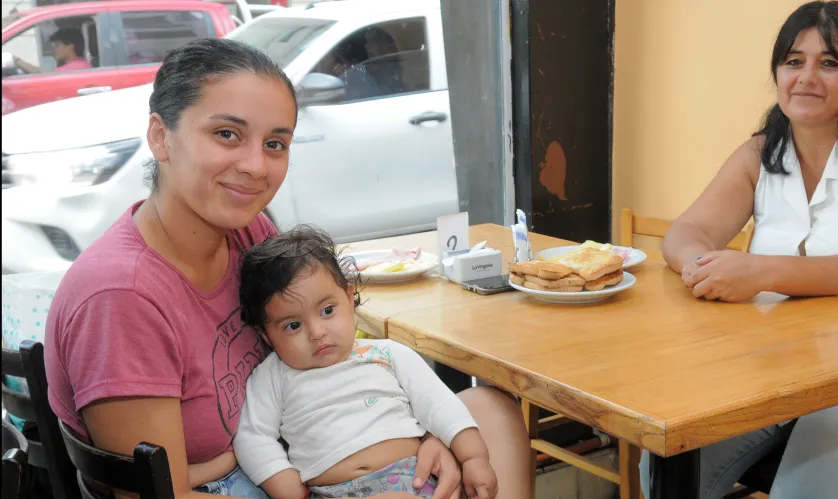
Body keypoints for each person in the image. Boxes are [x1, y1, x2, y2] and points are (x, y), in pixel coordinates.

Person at [45, 38, 531, 499]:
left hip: (299, 457)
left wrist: (418, 439)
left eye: (275, 143)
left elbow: (340, 368)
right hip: (234, 487)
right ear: (161, 137)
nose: (256, 166)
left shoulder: (247, 234)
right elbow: (154, 492)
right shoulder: (121, 296)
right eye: (227, 134)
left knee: (492, 410)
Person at [642, 1, 838, 498]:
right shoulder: (760, 152)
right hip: (780, 371)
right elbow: (687, 231)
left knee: (803, 491)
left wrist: (758, 272)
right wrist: (702, 266)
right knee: (668, 459)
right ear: (777, 73)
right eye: (793, 61)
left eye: (830, 63)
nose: (807, 77)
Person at [234, 226, 497, 499]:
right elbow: (252, 435)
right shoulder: (273, 375)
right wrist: (282, 481)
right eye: (293, 325)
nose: (316, 332)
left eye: (327, 310)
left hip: (416, 480)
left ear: (349, 300)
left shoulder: (389, 354)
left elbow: (439, 404)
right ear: (266, 335)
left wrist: (473, 457)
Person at [13, 28, 93, 74]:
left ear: (70, 46)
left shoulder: (78, 66)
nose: (54, 49)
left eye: (57, 45)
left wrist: (17, 61)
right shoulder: (81, 64)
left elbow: (45, 75)